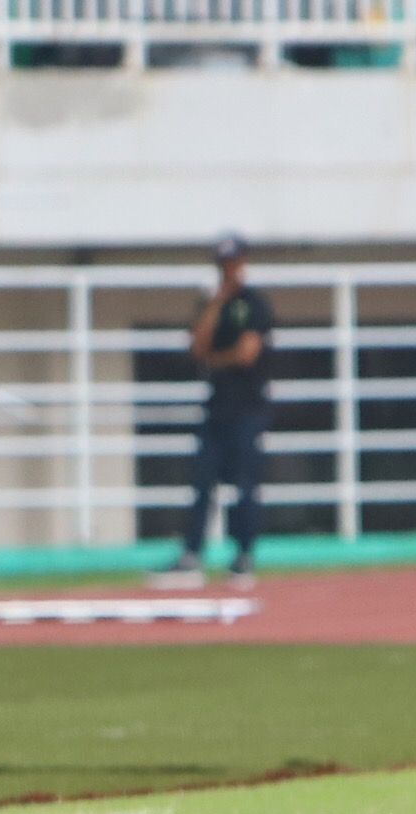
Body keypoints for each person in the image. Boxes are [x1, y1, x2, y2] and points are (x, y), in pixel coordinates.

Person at [164, 232, 274, 585]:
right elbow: (197, 347)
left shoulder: (254, 304)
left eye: (232, 261)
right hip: (217, 408)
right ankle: (192, 556)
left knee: (245, 484)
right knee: (202, 482)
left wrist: (215, 358)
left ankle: (243, 556)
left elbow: (246, 354)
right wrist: (215, 305)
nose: (227, 269)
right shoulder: (210, 303)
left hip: (248, 409)